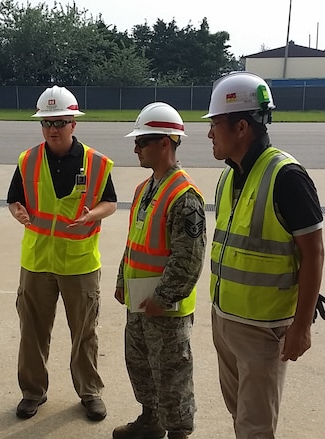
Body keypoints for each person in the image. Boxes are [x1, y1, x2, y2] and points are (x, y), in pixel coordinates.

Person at [204, 71, 325, 439]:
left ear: (241, 127)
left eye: (215, 124)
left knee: (255, 426)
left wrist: (302, 326)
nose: (210, 132)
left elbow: (314, 253)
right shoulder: (229, 177)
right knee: (239, 413)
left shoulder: (287, 176)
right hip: (225, 318)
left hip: (262, 329)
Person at [7, 85, 117, 421]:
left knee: (84, 333)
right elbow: (15, 199)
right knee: (32, 333)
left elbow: (110, 202)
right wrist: (17, 212)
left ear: (74, 123)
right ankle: (32, 392)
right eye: (47, 123)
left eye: (60, 122)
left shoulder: (97, 163)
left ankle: (89, 393)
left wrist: (91, 215)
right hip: (37, 262)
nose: (53, 129)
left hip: (80, 264)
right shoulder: (27, 160)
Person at [112, 102, 207, 439]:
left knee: (172, 376)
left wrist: (163, 298)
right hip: (139, 303)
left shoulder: (184, 196)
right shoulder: (145, 188)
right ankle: (150, 421)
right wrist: (122, 279)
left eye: (142, 142)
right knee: (142, 368)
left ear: (165, 143)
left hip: (164, 310)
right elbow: (134, 241)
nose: (135, 148)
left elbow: (189, 259)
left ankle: (178, 431)